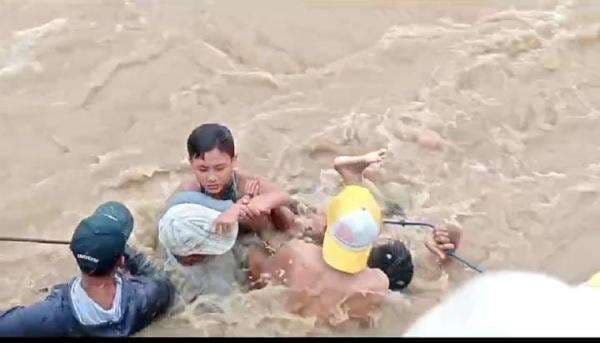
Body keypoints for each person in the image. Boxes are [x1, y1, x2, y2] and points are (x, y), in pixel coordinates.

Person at [246, 149, 460, 326]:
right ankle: (353, 178)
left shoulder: (301, 250)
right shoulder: (375, 289)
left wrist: (267, 221)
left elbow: (257, 268)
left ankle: (352, 177)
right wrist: (441, 261)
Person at [0, 202, 174, 337]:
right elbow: (162, 282)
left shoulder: (50, 315)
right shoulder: (146, 296)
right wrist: (128, 252)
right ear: (120, 260)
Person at [177, 123, 299, 239]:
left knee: (285, 215)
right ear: (191, 163)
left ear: (233, 161)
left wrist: (259, 203)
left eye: (220, 168)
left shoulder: (244, 183)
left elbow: (284, 196)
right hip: (229, 238)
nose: (211, 177)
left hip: (261, 231)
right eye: (203, 169)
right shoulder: (189, 191)